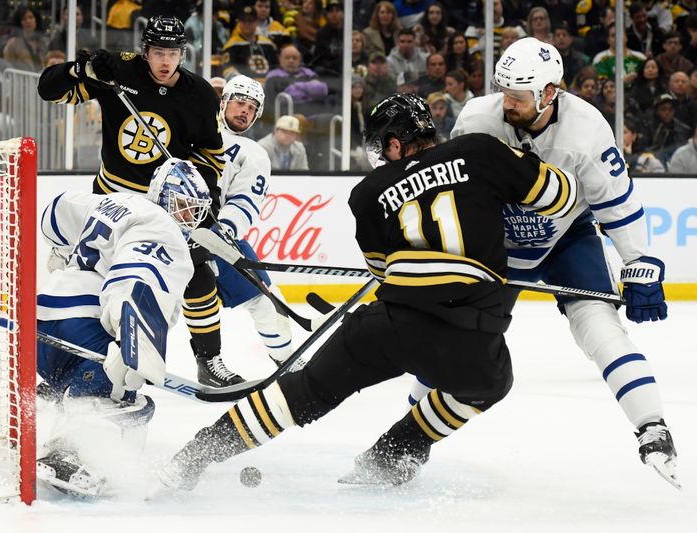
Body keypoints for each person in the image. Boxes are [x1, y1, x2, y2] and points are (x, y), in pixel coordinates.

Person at [150, 92, 577, 492]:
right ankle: (394, 454)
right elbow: (562, 196)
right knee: (491, 381)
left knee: (304, 393)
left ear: (396, 143)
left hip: (391, 324)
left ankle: (194, 455)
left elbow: (381, 271)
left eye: (380, 145)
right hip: (468, 328)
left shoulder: (368, 193)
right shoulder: (482, 150)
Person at [444, 37, 678, 488]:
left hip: (566, 237)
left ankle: (653, 427)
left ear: (550, 93)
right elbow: (456, 191)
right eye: (503, 90)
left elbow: (617, 203)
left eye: (518, 95)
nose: (506, 102)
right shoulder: (477, 117)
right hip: (498, 241)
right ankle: (410, 431)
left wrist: (638, 260)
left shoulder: (587, 130)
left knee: (600, 324)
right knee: (458, 335)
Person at [37, 16, 235, 387]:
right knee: (97, 282)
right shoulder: (118, 73)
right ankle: (80, 363)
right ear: (145, 52)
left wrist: (204, 199)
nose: (165, 61)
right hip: (112, 201)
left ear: (182, 54)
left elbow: (211, 157)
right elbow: (50, 90)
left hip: (165, 208)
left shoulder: (201, 95)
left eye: (173, 53)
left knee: (197, 275)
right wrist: (80, 69)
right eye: (158, 52)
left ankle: (209, 360)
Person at [35, 158, 211, 497]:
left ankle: (66, 443)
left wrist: (62, 248)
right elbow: (136, 279)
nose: (187, 218)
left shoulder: (113, 200)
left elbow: (54, 214)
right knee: (121, 395)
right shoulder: (165, 230)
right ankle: (68, 455)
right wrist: (135, 342)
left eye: (194, 212)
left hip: (43, 324)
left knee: (97, 396)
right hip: (86, 328)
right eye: (183, 206)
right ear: (162, 195)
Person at [213, 74, 294, 365]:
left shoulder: (253, 153)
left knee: (267, 303)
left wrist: (223, 232)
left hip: (213, 236)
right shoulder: (192, 131)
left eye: (252, 107)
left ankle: (288, 363)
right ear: (223, 102)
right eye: (239, 102)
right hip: (166, 229)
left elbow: (244, 201)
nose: (245, 110)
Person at [2, 5, 49, 72]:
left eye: (31, 17)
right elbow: (8, 68)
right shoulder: (13, 44)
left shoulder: (42, 42)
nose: (28, 21)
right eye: (24, 19)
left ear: (36, 20)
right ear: (19, 23)